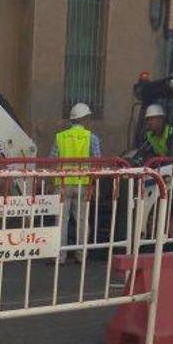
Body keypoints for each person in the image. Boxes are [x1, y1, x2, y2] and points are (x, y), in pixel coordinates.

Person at [50, 103, 102, 264]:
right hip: (82, 184)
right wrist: (92, 185)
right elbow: (98, 163)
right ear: (85, 119)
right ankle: (81, 256)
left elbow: (52, 160)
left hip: (63, 184)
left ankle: (60, 257)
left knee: (61, 221)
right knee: (82, 221)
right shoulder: (91, 138)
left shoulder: (60, 137)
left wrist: (53, 182)